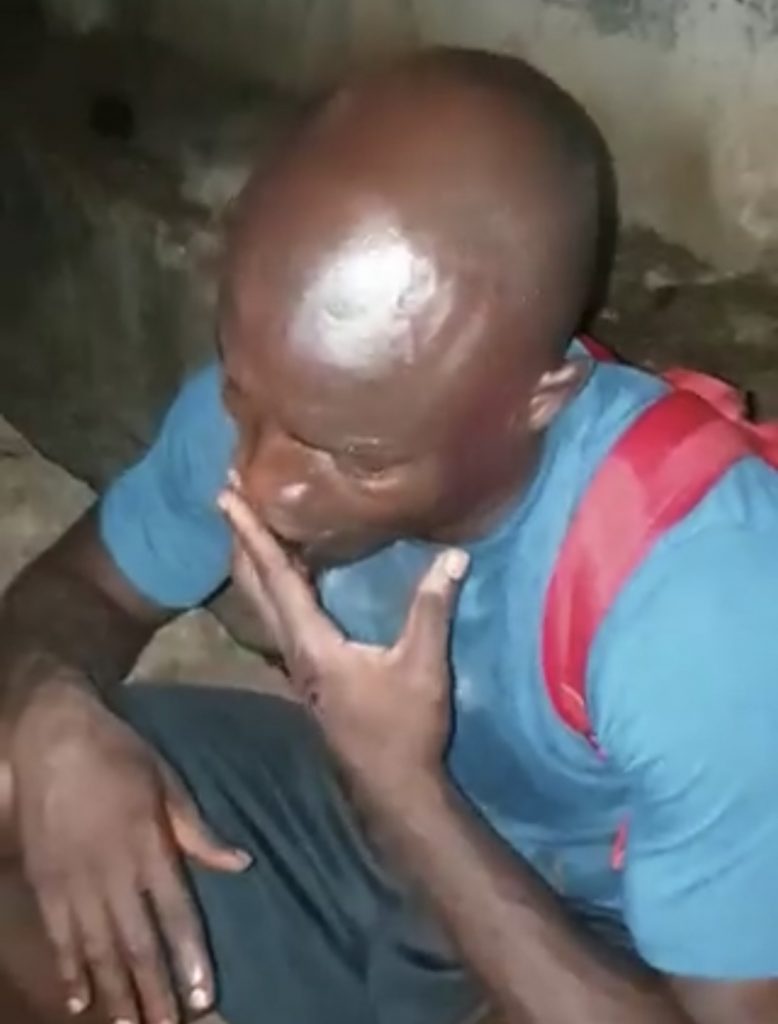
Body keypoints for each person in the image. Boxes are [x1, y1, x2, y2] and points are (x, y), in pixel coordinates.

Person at [1, 46, 778, 1024]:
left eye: (357, 460)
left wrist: (401, 779)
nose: (264, 481)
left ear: (541, 398)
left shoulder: (705, 602)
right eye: (244, 391)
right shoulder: (295, 398)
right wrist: (54, 713)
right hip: (349, 827)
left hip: (590, 933)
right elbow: (83, 591)